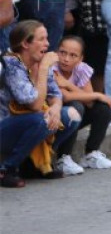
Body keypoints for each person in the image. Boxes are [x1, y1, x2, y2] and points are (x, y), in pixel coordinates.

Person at [0, 20, 80, 186]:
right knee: (41, 119)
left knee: (71, 115)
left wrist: (56, 109)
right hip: (5, 126)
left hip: (29, 121)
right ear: (25, 44)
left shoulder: (41, 60)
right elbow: (34, 104)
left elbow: (55, 94)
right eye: (42, 39)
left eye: (47, 38)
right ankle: (7, 168)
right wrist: (43, 69)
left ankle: (33, 164)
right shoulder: (12, 64)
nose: (48, 43)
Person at [51, 35, 111, 173]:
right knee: (76, 106)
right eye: (63, 52)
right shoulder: (53, 69)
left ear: (80, 58)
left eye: (73, 55)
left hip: (76, 116)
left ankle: (91, 153)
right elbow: (66, 96)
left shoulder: (81, 69)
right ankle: (63, 157)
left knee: (103, 108)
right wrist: (98, 94)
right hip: (56, 119)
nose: (66, 58)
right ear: (57, 52)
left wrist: (68, 84)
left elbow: (90, 101)